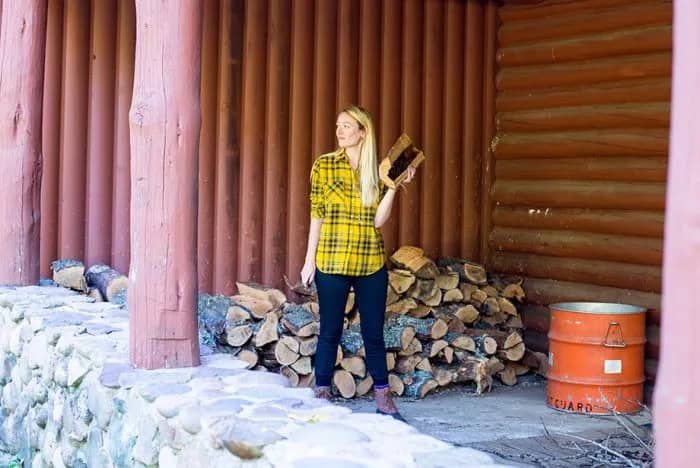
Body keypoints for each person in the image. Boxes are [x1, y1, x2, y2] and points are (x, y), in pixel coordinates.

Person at [301, 105, 415, 421]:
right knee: (330, 330)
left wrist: (392, 188)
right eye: (338, 125)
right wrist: (309, 260)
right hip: (332, 261)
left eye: (347, 126)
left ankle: (383, 397)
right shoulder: (324, 166)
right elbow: (317, 214)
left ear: (363, 132)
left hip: (370, 262)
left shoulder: (379, 171)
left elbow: (379, 220)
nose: (340, 131)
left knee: (373, 332)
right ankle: (322, 392)